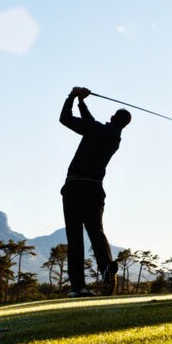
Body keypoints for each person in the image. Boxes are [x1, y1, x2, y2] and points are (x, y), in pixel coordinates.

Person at [59, 86, 131, 297]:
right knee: (95, 231)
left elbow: (65, 118)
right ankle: (107, 267)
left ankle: (78, 286)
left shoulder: (96, 129)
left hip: (74, 186)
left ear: (111, 117)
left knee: (75, 236)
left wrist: (72, 96)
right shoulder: (114, 137)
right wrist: (82, 103)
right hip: (95, 189)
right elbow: (91, 123)